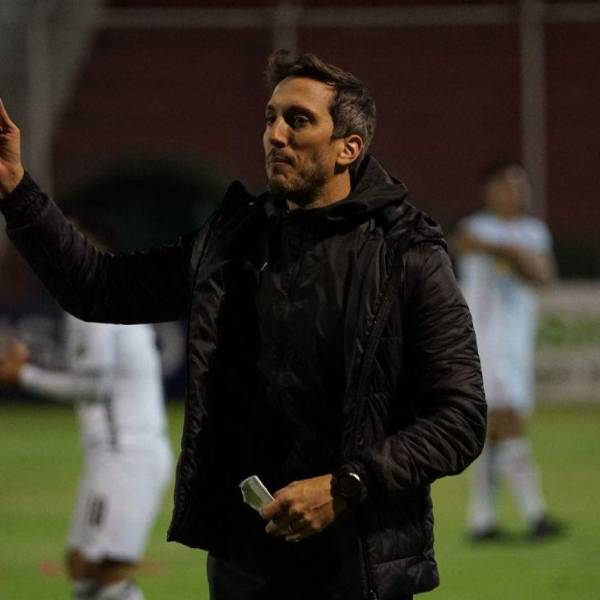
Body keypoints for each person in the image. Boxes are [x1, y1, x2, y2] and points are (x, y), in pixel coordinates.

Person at [0, 51, 486, 600]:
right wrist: (17, 192)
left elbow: (461, 418)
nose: (276, 134)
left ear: (348, 147)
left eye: (298, 120)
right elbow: (98, 287)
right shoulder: (232, 242)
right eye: (270, 118)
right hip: (245, 562)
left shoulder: (407, 254)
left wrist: (345, 485)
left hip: (359, 561)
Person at [0, 274, 173, 599]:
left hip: (126, 456)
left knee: (106, 569)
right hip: (118, 454)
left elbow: (95, 387)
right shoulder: (110, 302)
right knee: (82, 565)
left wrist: (25, 376)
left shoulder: (95, 311)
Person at [450, 160, 562, 541]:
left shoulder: (533, 231)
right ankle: (536, 515)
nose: (520, 192)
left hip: (517, 342)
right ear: (491, 191)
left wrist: (514, 253)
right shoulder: (476, 226)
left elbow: (543, 275)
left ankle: (481, 521)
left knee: (497, 429)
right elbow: (461, 243)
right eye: (512, 185)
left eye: (522, 185)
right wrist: (511, 250)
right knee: (506, 419)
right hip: (485, 342)